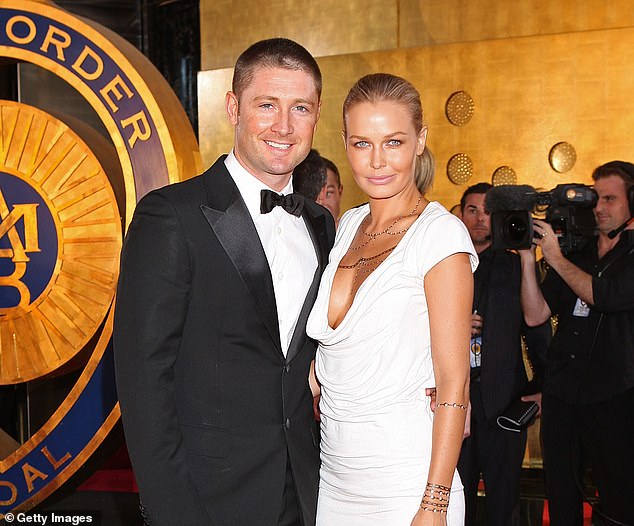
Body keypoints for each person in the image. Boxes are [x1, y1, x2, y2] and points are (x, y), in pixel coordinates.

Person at [113, 38, 336, 526]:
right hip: (207, 500)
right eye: (266, 105)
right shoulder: (171, 215)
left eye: (300, 108)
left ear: (316, 116)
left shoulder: (321, 225)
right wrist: (172, 512)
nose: (284, 125)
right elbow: (141, 378)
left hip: (306, 492)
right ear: (233, 107)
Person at [306, 73, 477, 525]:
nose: (377, 161)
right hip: (335, 479)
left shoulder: (439, 235)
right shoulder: (347, 228)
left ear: (420, 140)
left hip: (407, 484)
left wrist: (434, 504)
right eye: (362, 143)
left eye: (394, 142)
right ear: (344, 142)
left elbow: (454, 384)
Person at [519, 161, 634, 525]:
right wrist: (528, 258)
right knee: (561, 494)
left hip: (615, 396)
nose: (599, 207)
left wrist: (555, 257)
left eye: (611, 199)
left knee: (618, 497)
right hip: (563, 393)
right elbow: (535, 314)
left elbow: (606, 295)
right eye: (596, 199)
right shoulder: (577, 253)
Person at [457, 182, 533, 525]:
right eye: (472, 210)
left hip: (504, 404)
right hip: (454, 403)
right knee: (458, 500)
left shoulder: (516, 267)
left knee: (505, 504)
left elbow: (537, 330)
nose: (480, 218)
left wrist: (540, 392)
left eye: (487, 211)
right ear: (460, 214)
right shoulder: (444, 265)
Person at [317, 156, 344, 225]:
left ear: (340, 192)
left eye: (328, 193)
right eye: (315, 194)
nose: (321, 202)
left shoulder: (354, 231)